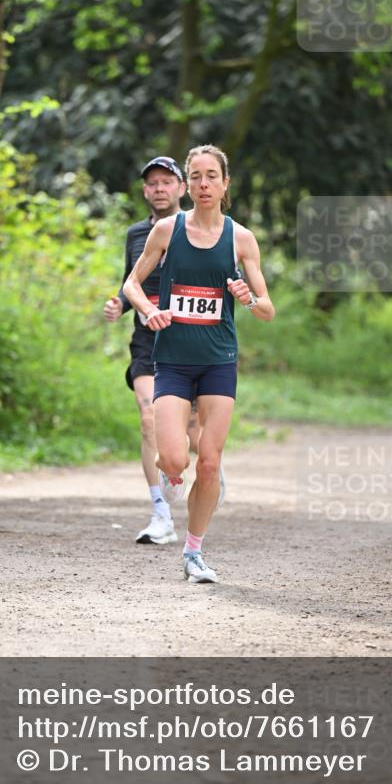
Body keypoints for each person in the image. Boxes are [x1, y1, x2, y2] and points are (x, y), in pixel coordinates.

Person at [123, 144, 276, 584]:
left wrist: (249, 299)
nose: (204, 184)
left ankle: (193, 552)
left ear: (226, 184)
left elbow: (268, 309)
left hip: (218, 362)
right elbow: (132, 284)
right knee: (174, 460)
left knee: (209, 462)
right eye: (196, 176)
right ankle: (171, 476)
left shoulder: (241, 239)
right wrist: (149, 310)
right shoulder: (167, 230)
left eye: (212, 176)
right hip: (172, 360)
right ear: (187, 185)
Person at [104, 156, 201, 545]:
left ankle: (208, 468)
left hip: (192, 339)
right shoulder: (136, 234)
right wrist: (120, 303)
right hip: (148, 338)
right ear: (145, 191)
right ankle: (161, 514)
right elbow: (132, 281)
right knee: (149, 419)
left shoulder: (198, 229)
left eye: (166, 182)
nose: (159, 189)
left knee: (193, 434)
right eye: (152, 183)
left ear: (181, 188)